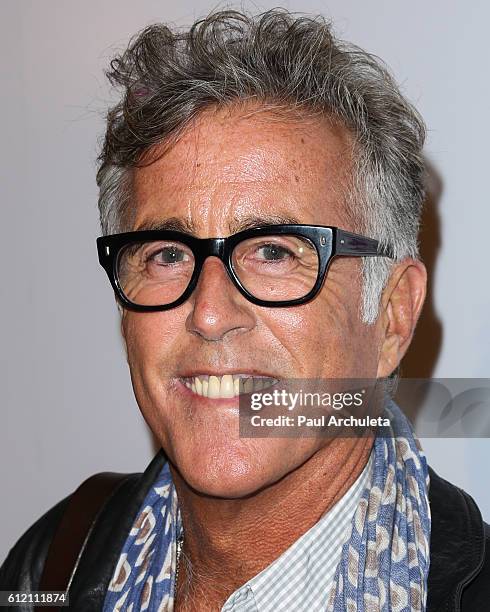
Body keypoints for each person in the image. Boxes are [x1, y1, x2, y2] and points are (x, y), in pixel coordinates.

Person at [1, 8, 489, 611]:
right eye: (167, 255)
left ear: (391, 316)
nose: (209, 313)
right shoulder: (54, 564)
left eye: (273, 251)